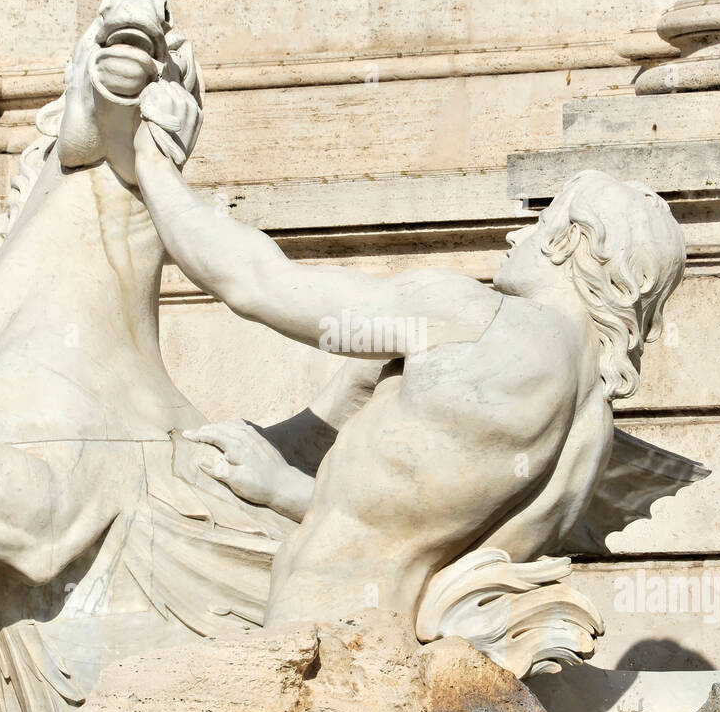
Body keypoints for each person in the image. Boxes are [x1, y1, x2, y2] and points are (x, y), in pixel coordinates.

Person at [133, 79, 687, 626]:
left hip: (318, 648)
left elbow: (256, 283)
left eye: (538, 223)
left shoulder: (472, 317)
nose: (515, 238)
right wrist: (281, 489)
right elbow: (410, 536)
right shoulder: (592, 431)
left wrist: (152, 163)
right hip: (400, 661)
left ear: (570, 242)